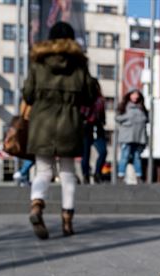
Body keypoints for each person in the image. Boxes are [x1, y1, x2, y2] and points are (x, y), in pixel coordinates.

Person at [23, 21, 96, 239]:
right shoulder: (79, 64)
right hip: (69, 123)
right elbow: (90, 95)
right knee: (67, 173)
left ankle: (36, 204)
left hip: (42, 123)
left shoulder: (38, 62)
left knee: (43, 170)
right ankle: (67, 221)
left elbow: (27, 95)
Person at [115, 89, 148, 183]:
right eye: (133, 94)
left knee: (137, 157)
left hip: (138, 137)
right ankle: (120, 176)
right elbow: (117, 118)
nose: (135, 96)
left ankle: (139, 177)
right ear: (129, 95)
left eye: (137, 94)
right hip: (126, 137)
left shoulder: (141, 107)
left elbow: (146, 119)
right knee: (124, 156)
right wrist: (128, 119)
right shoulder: (124, 107)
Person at [81, 80, 107, 184]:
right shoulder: (83, 99)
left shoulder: (100, 100)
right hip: (86, 127)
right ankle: (85, 174)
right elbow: (81, 113)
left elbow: (102, 114)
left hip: (97, 127)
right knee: (85, 155)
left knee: (103, 151)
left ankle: (97, 173)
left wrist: (102, 121)